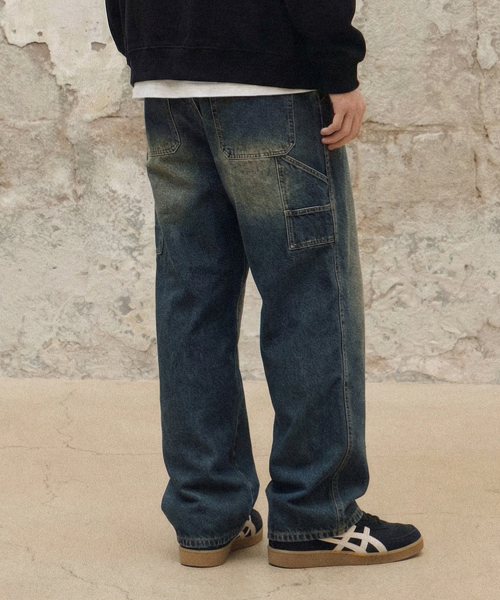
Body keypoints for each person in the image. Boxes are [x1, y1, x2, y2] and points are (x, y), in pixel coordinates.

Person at [105, 0, 423, 568]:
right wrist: (339, 69)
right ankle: (316, 514)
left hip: (167, 84)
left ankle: (207, 515)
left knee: (191, 303)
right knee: (309, 300)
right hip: (268, 81)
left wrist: (149, 49)